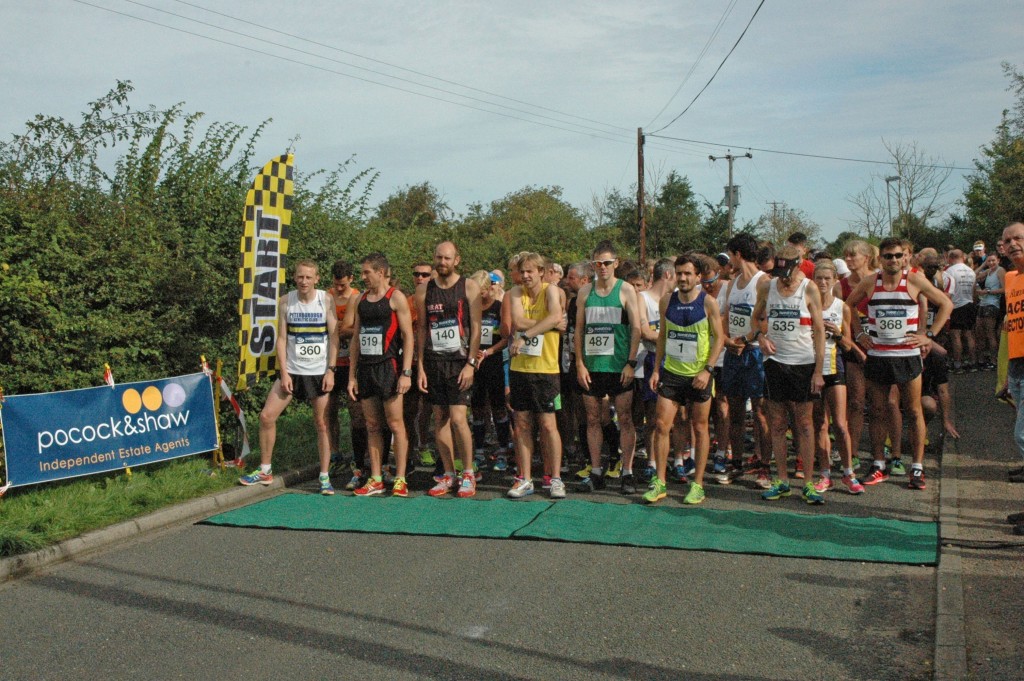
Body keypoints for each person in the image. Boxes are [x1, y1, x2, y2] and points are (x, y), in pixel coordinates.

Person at [848, 237, 953, 490]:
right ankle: (878, 464)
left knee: (914, 410)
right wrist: (860, 334)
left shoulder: (914, 280)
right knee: (877, 410)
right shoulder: (871, 282)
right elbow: (849, 305)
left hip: (907, 356)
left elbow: (946, 304)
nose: (893, 260)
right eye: (888, 256)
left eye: (897, 255)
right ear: (880, 258)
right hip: (879, 356)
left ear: (903, 257)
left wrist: (928, 335)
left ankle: (916, 467)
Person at [240, 260, 339, 494]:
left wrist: (331, 370)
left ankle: (324, 476)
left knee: (322, 425)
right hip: (293, 371)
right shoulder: (286, 302)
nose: (304, 281)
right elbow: (282, 339)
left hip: (318, 372)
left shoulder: (325, 300)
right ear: (294, 278)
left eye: (308, 277)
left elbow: (334, 337)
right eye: (300, 277)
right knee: (266, 416)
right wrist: (283, 372)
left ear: (316, 279)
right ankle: (265, 469)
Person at [644, 254, 724, 504]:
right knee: (660, 425)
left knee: (699, 428)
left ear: (698, 276)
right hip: (672, 373)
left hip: (698, 376)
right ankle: (660, 482)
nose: (683, 278)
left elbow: (719, 338)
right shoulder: (667, 300)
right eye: (679, 273)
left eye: (688, 273)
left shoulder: (708, 302)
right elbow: (662, 337)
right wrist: (657, 369)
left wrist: (707, 370)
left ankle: (697, 484)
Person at [751, 246, 827, 504]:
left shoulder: (809, 288)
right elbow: (754, 319)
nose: (783, 276)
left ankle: (807, 483)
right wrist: (760, 337)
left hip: (803, 363)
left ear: (799, 264)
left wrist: (818, 370)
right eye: (778, 270)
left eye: (788, 270)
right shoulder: (767, 287)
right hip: (775, 362)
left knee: (804, 424)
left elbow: (819, 331)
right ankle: (781, 480)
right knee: (778, 423)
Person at [415, 241, 483, 498]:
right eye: (438, 257)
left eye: (447, 258)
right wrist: (420, 366)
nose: (441, 262)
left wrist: (471, 364)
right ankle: (448, 474)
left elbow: (476, 328)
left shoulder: (468, 286)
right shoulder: (424, 290)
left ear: (457, 260)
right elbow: (421, 329)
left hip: (460, 362)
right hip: (434, 361)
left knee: (458, 418)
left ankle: (467, 472)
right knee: (440, 419)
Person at [574, 240, 643, 494]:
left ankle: (627, 472)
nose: (601, 267)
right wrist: (580, 364)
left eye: (606, 263)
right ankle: (595, 471)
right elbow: (579, 330)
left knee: (625, 417)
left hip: (618, 366)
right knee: (593, 418)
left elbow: (636, 328)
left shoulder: (625, 290)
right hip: (592, 366)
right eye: (597, 263)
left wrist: (631, 362)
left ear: (615, 263)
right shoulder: (585, 292)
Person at [347, 253, 415, 497]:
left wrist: (406, 372)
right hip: (366, 369)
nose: (363, 277)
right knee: (372, 424)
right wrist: (352, 376)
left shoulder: (395, 297)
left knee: (395, 424)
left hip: (389, 367)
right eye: (363, 272)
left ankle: (400, 478)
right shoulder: (361, 300)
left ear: (381, 272)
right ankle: (375, 478)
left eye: (367, 272)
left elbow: (408, 336)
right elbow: (355, 338)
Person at [506, 253, 567, 499]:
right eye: (522, 272)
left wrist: (526, 335)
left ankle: (555, 478)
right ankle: (526, 478)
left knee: (548, 425)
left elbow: (554, 315)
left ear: (541, 271)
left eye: (531, 271)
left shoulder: (550, 291)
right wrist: (550, 323)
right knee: (521, 425)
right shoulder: (515, 293)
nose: (526, 276)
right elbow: (518, 320)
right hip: (520, 369)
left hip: (547, 369)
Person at [810, 260, 866, 495]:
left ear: (834, 281)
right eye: (818, 278)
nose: (822, 283)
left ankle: (848, 472)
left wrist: (838, 332)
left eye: (827, 279)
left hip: (835, 367)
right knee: (819, 424)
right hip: (810, 368)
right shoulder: (807, 304)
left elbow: (848, 343)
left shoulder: (841, 306)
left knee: (840, 425)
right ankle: (824, 474)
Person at [721, 233, 772, 488]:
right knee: (736, 411)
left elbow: (766, 320)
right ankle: (737, 463)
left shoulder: (764, 282)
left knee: (761, 412)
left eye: (731, 255)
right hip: (734, 352)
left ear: (738, 254)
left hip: (754, 353)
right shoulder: (732, 283)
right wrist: (728, 340)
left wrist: (747, 338)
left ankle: (765, 466)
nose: (730, 260)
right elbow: (726, 316)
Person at [325, 260, 369, 491]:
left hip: (351, 362)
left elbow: (356, 329)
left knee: (356, 412)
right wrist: (337, 329)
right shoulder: (326, 297)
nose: (339, 289)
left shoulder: (358, 297)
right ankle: (334, 453)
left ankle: (358, 458)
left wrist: (343, 329)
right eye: (336, 285)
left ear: (351, 279)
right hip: (332, 362)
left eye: (342, 285)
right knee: (329, 410)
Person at [470, 270, 511, 466]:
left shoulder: (499, 307)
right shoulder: (471, 308)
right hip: (474, 363)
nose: (479, 296)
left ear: (489, 288)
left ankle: (503, 449)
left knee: (499, 408)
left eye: (482, 292)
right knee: (477, 408)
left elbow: (506, 338)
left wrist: (488, 352)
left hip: (493, 360)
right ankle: (478, 451)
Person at [998, 224, 1024, 526]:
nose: (1012, 244)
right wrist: (1008, 374)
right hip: (1017, 367)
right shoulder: (1011, 279)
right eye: (1007, 241)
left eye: (1018, 238)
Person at [945, 249, 979, 372]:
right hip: (969, 304)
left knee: (955, 336)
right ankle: (973, 362)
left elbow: (946, 291)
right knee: (969, 334)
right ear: (963, 257)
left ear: (950, 258)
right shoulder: (971, 271)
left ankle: (958, 364)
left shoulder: (950, 271)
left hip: (957, 305)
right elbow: (974, 291)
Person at [975, 253, 1005, 370]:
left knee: (990, 332)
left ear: (998, 260)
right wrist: (983, 265)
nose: (991, 263)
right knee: (979, 331)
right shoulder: (988, 271)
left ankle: (994, 360)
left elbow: (1004, 289)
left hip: (992, 303)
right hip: (983, 303)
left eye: (993, 261)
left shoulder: (1000, 271)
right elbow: (974, 276)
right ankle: (982, 359)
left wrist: (988, 292)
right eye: (989, 261)